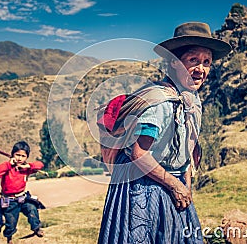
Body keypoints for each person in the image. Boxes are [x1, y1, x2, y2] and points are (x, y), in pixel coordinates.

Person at [97, 22, 232, 244]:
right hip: (143, 186)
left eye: (207, 62)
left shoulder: (190, 101)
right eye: (193, 60)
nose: (201, 69)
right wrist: (175, 185)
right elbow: (139, 154)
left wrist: (186, 186)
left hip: (171, 184)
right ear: (174, 62)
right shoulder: (160, 103)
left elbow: (187, 150)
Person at [0, 141, 45, 244]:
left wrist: (28, 166)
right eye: (17, 155)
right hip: (9, 201)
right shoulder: (7, 167)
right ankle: (9, 238)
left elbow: (40, 165)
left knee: (32, 209)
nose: (20, 158)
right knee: (11, 222)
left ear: (26, 157)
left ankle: (36, 228)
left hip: (23, 198)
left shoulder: (26, 168)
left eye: (23, 156)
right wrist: (8, 165)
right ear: (12, 154)